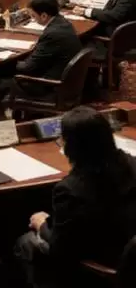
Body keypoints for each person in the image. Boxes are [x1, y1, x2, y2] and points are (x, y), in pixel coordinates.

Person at [15, 106, 136, 288]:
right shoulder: (133, 165)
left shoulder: (70, 190)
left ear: (70, 145)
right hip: (129, 254)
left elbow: (60, 249)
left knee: (26, 242)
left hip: (104, 265)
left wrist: (41, 224)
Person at [3, 0, 82, 103]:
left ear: (44, 16)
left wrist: (10, 62)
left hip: (49, 85)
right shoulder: (64, 23)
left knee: (1, 78)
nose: (33, 19)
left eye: (33, 16)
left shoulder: (52, 34)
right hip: (65, 79)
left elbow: (28, 67)